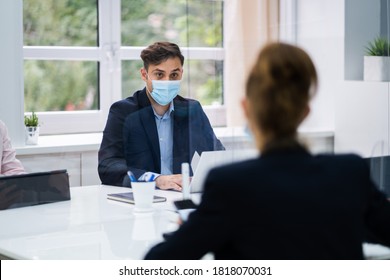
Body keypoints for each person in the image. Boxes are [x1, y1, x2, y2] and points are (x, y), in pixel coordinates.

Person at [144, 42, 390, 259]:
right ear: (305, 111)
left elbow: (157, 264)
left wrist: (190, 230)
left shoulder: (229, 185)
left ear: (247, 108)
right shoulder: (350, 172)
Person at [98, 42, 224, 190]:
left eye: (174, 75)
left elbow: (216, 156)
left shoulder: (192, 110)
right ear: (144, 75)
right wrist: (156, 179)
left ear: (181, 74)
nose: (167, 81)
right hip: (142, 197)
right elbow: (107, 166)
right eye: (159, 74)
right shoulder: (123, 111)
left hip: (180, 195)